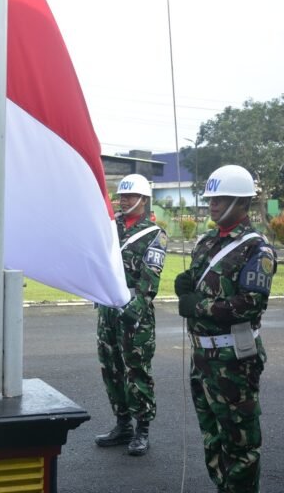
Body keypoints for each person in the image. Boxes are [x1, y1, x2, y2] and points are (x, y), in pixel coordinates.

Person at [174, 165, 277, 493]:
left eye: (220, 198)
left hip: (234, 359)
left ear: (241, 202)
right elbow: (199, 288)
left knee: (241, 443)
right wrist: (186, 289)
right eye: (210, 198)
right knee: (213, 436)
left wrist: (198, 306)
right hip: (202, 357)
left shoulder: (256, 249)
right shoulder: (206, 243)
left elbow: (250, 305)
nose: (212, 204)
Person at [95, 174, 167, 457]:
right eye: (121, 196)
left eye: (128, 195)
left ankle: (142, 430)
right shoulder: (111, 229)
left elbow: (151, 281)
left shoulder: (154, 234)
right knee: (110, 368)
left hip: (134, 313)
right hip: (108, 310)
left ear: (143, 199)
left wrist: (132, 311)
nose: (122, 200)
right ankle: (122, 423)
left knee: (136, 371)